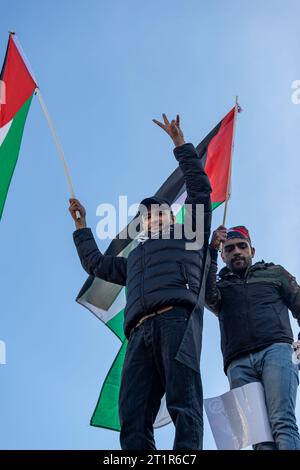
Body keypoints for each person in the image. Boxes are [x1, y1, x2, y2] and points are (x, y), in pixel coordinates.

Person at [69, 114, 212, 450]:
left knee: (184, 403)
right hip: (138, 333)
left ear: (171, 216)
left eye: (157, 212)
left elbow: (200, 190)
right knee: (132, 416)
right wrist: (81, 227)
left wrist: (181, 147)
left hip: (176, 319)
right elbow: (96, 264)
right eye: (145, 216)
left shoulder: (190, 235)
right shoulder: (134, 259)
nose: (150, 217)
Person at [205, 224, 300, 450]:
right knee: (259, 437)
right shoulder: (220, 286)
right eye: (229, 249)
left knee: (282, 421)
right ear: (223, 255)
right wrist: (210, 250)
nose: (236, 251)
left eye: (242, 246)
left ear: (252, 251)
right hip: (238, 364)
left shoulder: (275, 273)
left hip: (277, 352)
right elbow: (207, 296)